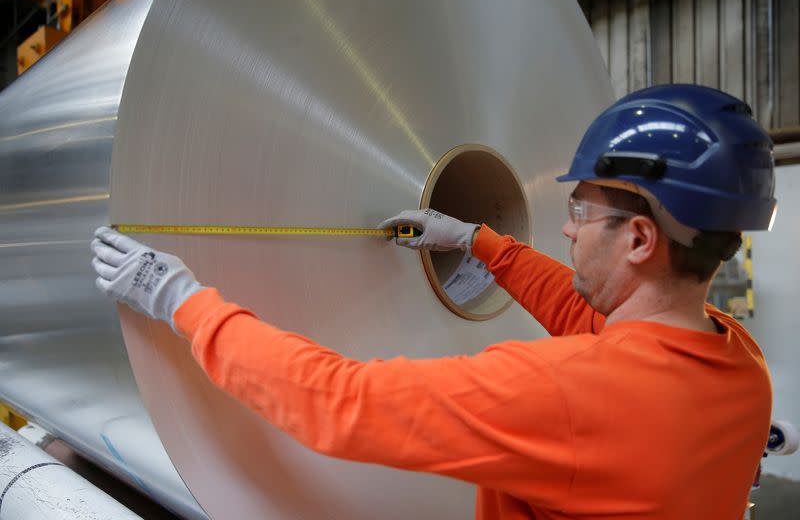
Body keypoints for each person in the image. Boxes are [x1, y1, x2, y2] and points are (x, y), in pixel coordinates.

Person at [90, 84, 776, 519]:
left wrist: (181, 300)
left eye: (579, 210)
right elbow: (600, 323)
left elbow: (338, 403)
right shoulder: (741, 369)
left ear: (638, 239)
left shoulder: (566, 395)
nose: (565, 227)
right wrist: (479, 240)